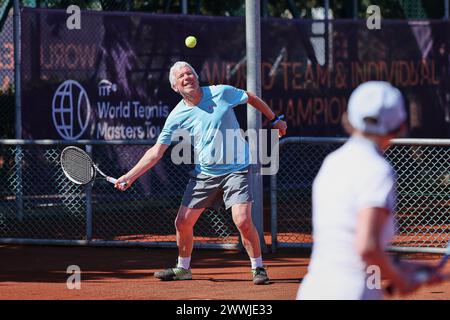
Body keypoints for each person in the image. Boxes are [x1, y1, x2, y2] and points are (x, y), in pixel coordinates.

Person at [115, 61, 287, 285]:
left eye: (190, 73)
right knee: (182, 223)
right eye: (181, 76)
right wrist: (130, 176)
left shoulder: (221, 92)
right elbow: (156, 152)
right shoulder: (177, 116)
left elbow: (251, 97)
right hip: (205, 173)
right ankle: (183, 268)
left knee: (243, 220)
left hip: (236, 169)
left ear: (197, 77)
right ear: (175, 87)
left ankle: (258, 268)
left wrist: (275, 120)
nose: (187, 77)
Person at [297, 81, 442, 300]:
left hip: (313, 289)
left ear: (350, 117)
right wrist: (400, 280)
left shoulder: (332, 162)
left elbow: (349, 247)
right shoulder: (377, 169)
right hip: (353, 293)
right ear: (399, 125)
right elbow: (367, 246)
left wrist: (403, 267)